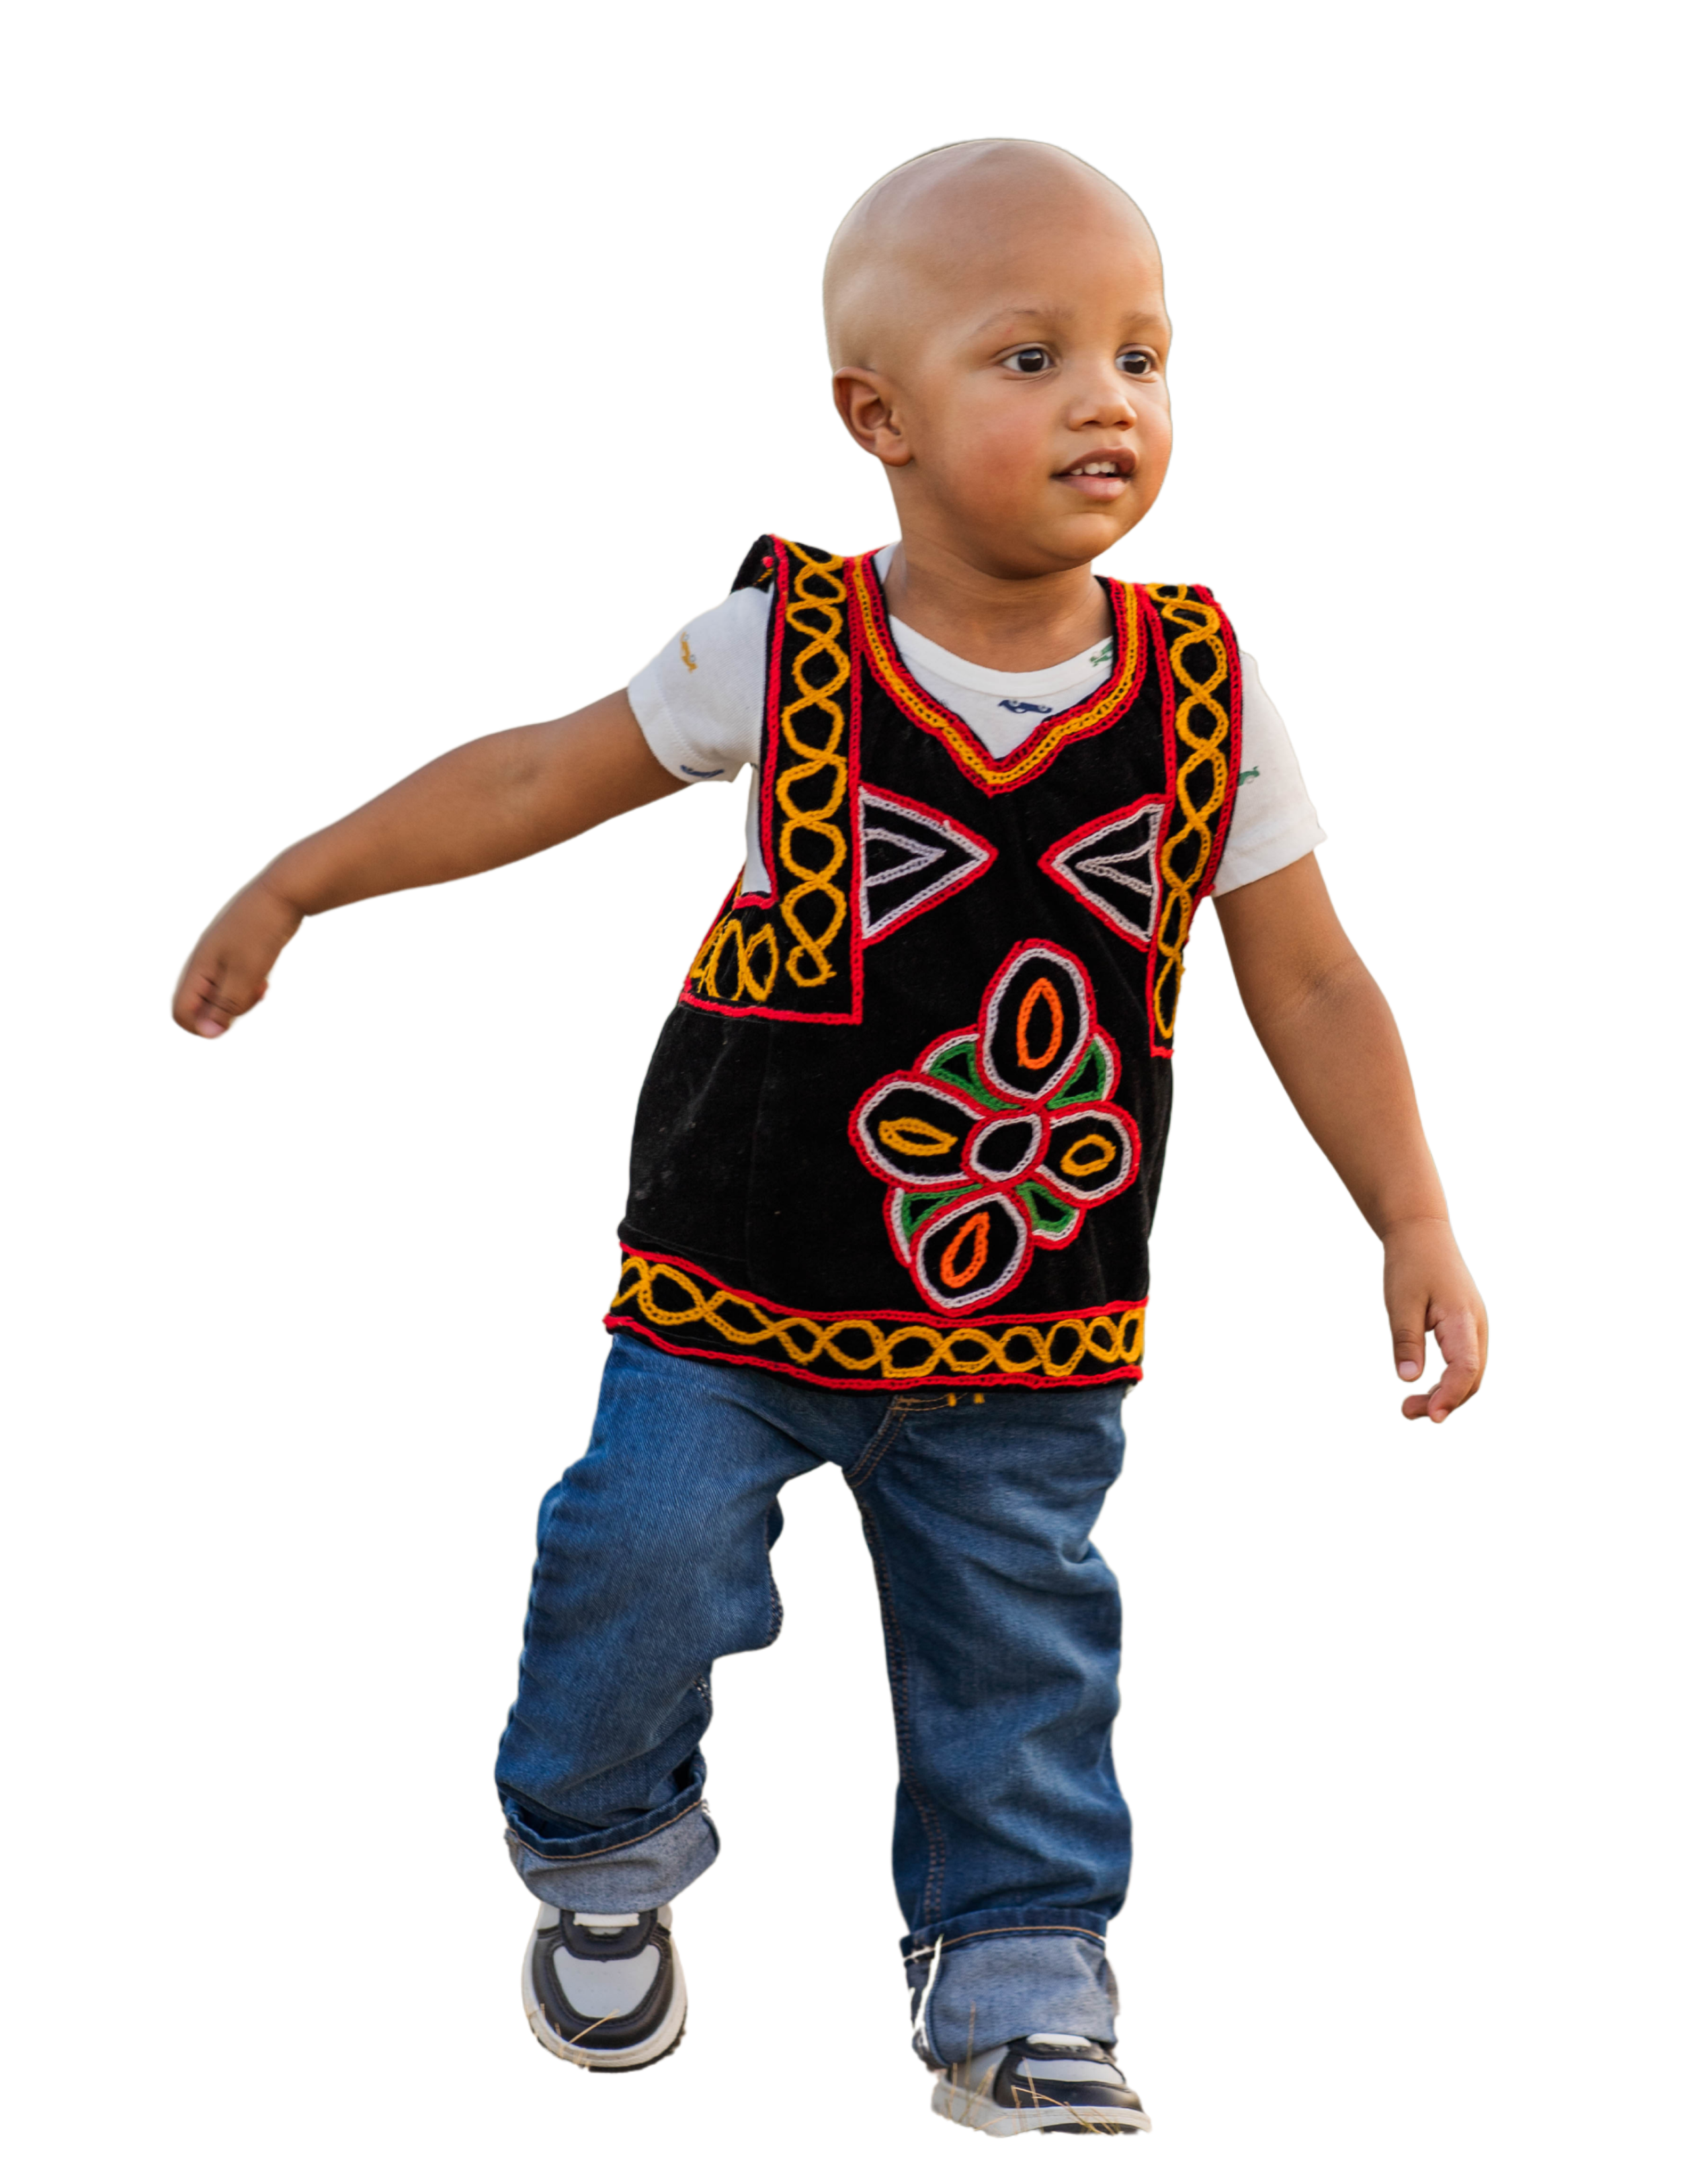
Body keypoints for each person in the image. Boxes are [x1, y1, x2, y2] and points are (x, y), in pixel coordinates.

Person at [167, 138, 1490, 2140]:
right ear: (878, 415)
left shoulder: (1208, 694)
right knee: (636, 1557)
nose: (1108, 401)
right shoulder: (784, 656)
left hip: (1034, 1316)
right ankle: (603, 1852)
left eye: (1142, 355)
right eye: (1031, 357)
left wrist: (1412, 1215)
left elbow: (1309, 980)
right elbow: (534, 779)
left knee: (1028, 1656)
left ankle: (1021, 1990)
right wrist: (297, 887)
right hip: (737, 1284)